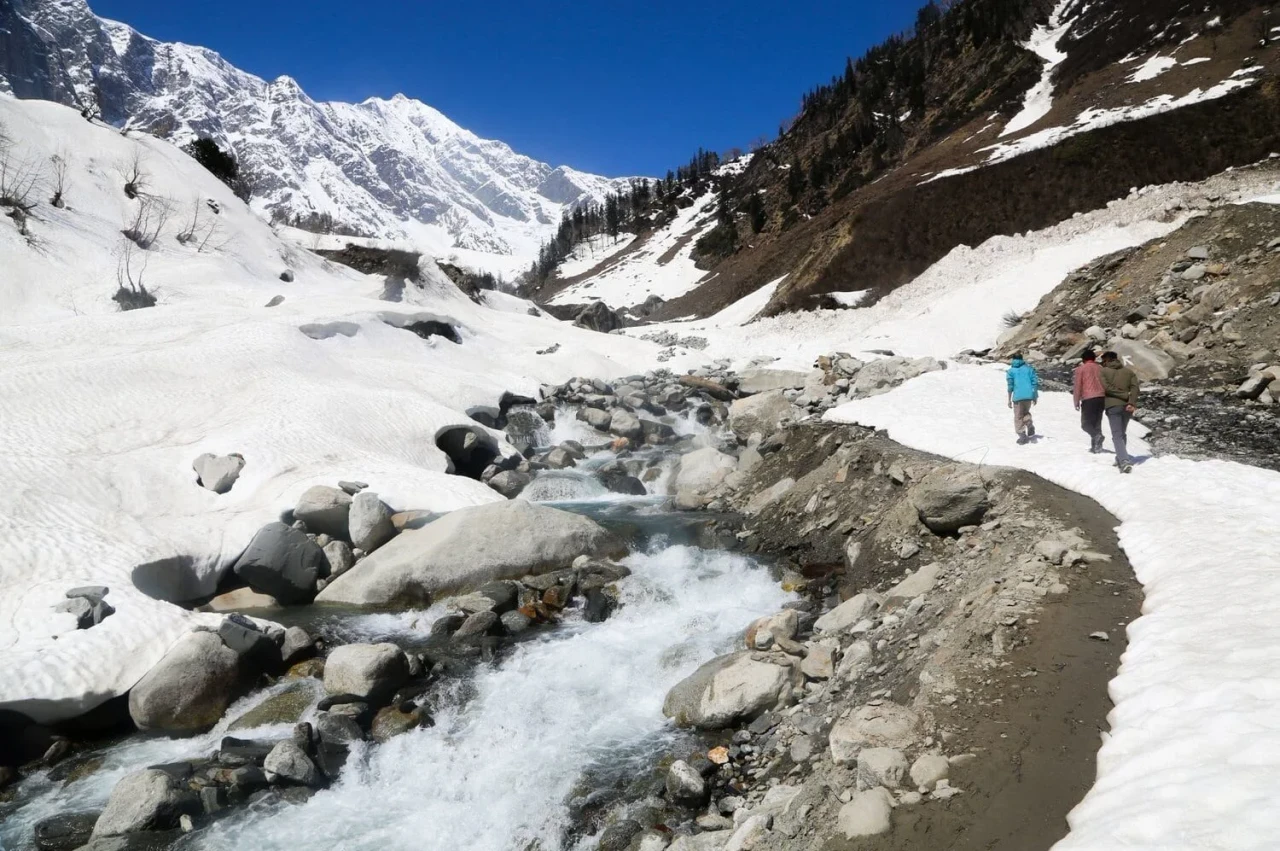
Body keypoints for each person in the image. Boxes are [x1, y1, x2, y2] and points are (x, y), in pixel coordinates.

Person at [1100, 351, 1140, 473]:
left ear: (1106, 360)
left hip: (1112, 405)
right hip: (1127, 407)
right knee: (1122, 433)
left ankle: (1124, 461)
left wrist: (1123, 395)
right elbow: (1135, 388)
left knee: (1117, 435)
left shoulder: (1103, 371)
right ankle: (1120, 457)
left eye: (1103, 361)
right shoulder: (1129, 372)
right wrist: (1131, 401)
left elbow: (1106, 388)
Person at [1073, 349, 1107, 453]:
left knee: (1086, 424)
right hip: (1101, 397)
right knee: (1097, 423)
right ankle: (1096, 447)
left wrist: (1076, 401)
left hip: (1088, 398)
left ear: (1083, 359)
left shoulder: (1080, 369)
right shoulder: (1100, 368)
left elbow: (1078, 386)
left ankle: (1096, 436)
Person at [1006, 353, 1040, 444]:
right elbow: (1034, 383)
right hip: (1028, 396)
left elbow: (1010, 386)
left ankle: (1022, 436)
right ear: (1022, 359)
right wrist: (1035, 396)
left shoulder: (1011, 371)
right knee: (1025, 412)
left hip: (1018, 397)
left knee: (1018, 416)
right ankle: (1028, 422)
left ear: (1013, 360)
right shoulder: (1029, 369)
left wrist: (1009, 399)